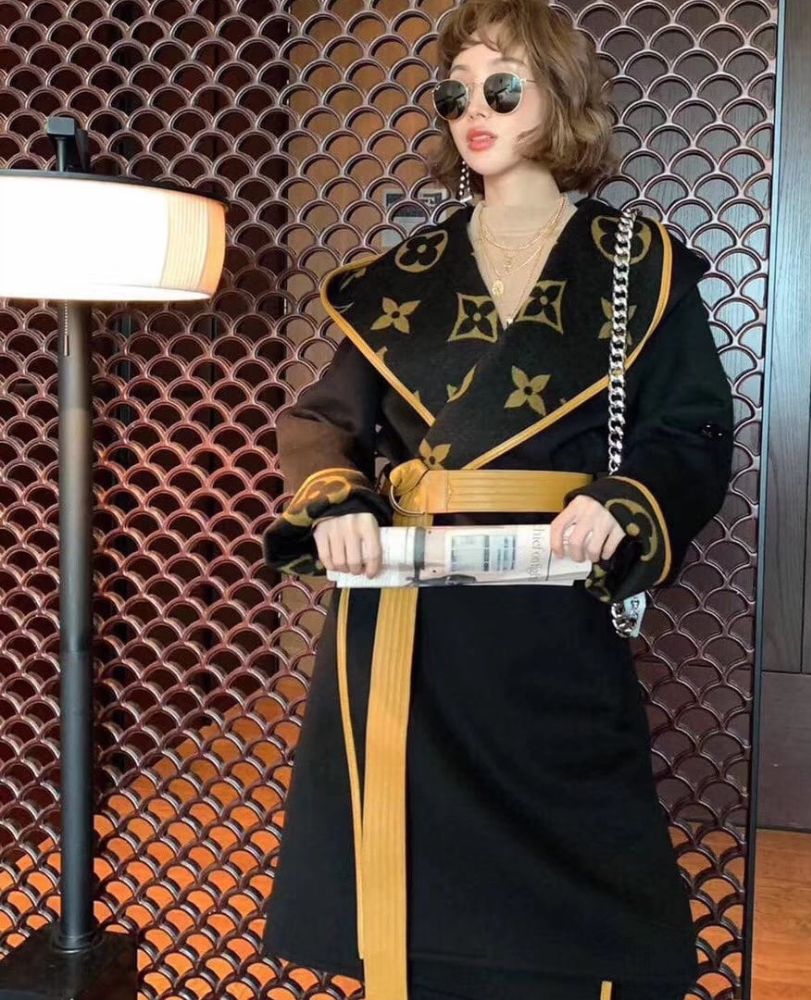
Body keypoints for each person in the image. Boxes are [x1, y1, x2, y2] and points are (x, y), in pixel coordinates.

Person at [259, 1, 734, 998]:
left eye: (503, 86)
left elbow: (688, 430)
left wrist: (627, 501)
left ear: (558, 96)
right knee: (413, 867)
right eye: (456, 91)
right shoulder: (396, 280)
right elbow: (323, 422)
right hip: (406, 614)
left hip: (552, 602)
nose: (474, 110)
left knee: (581, 852)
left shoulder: (638, 267)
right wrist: (338, 500)